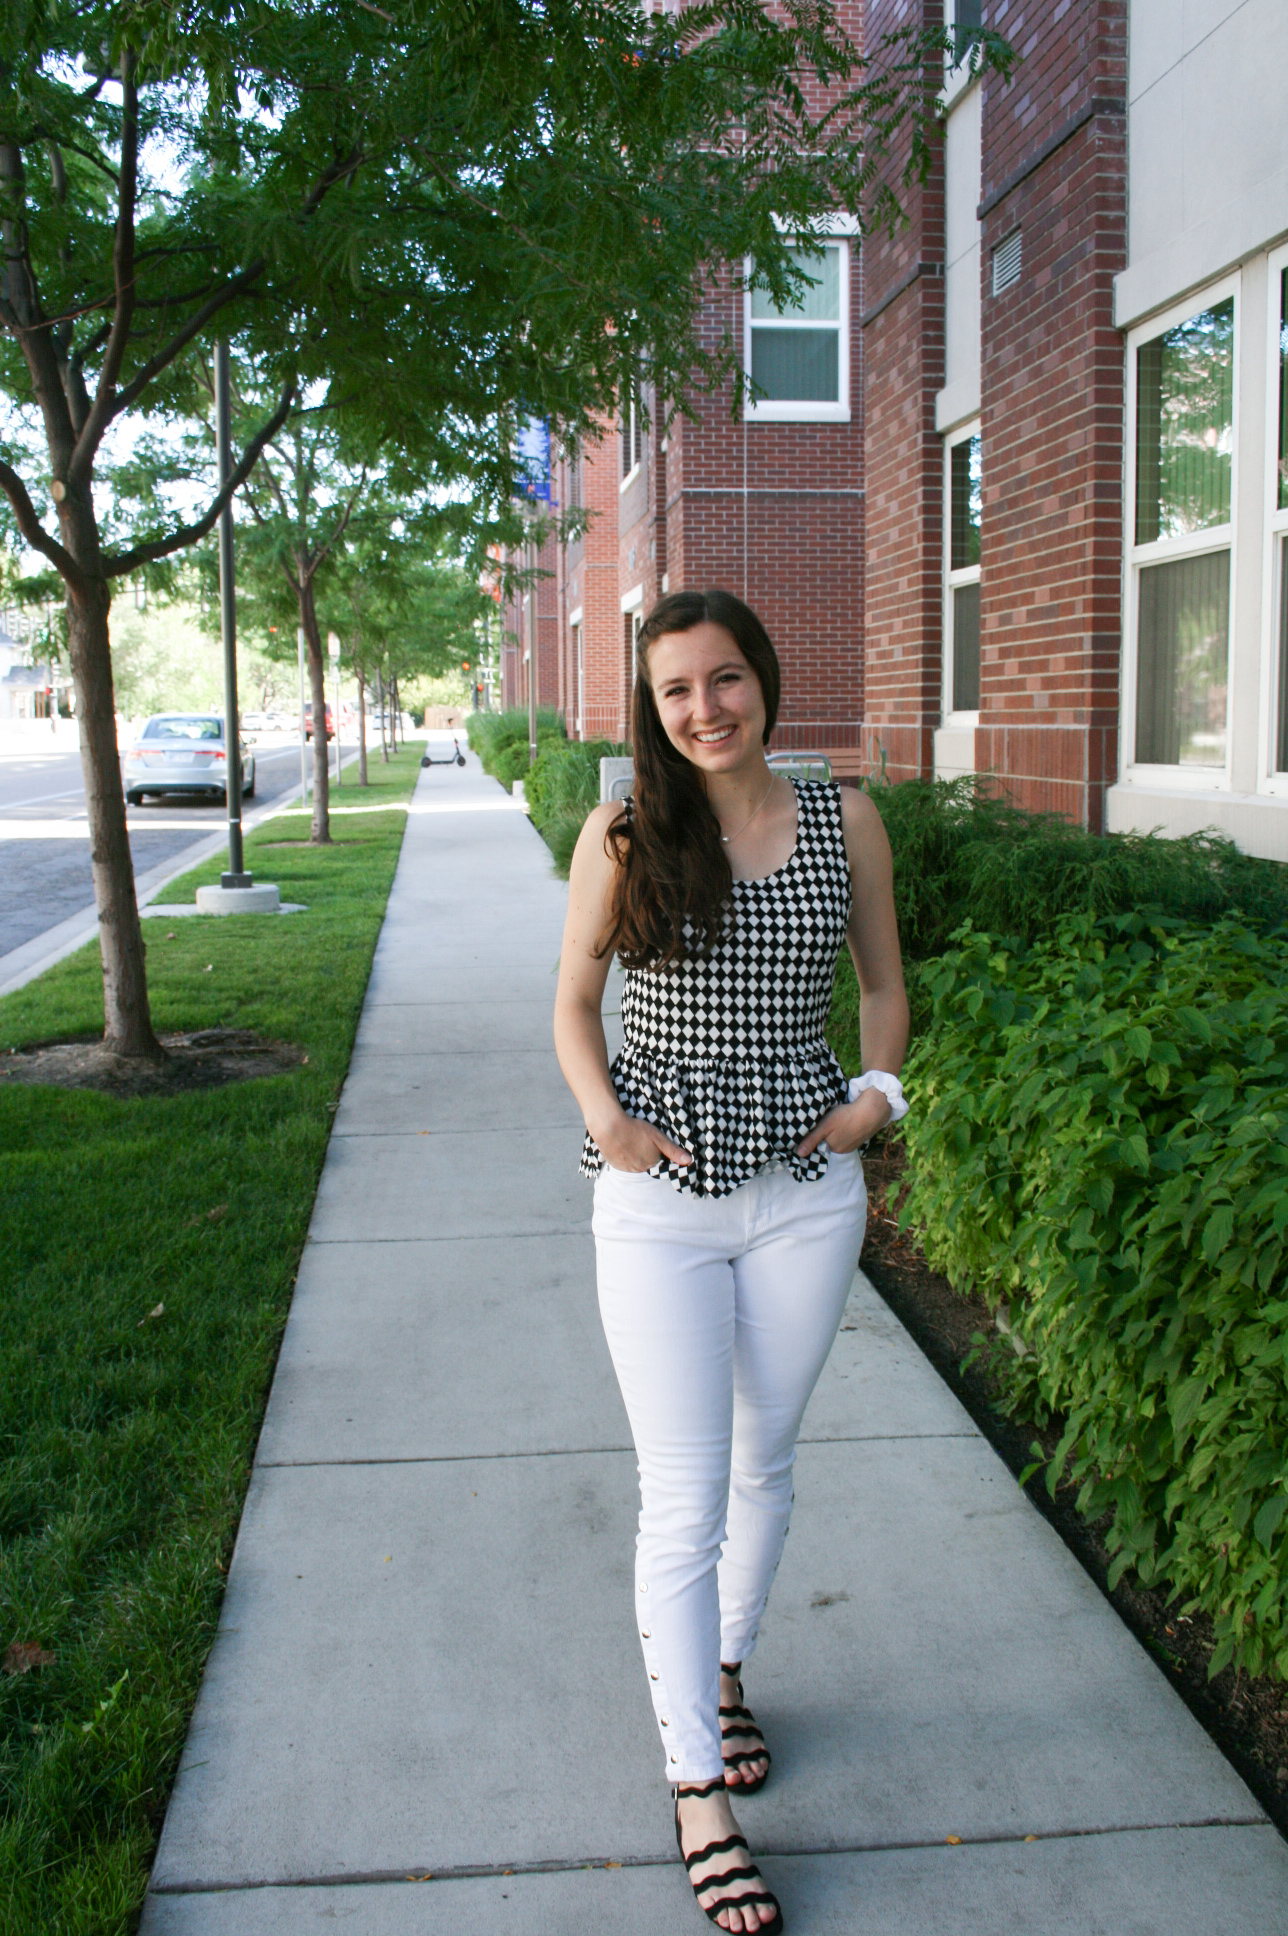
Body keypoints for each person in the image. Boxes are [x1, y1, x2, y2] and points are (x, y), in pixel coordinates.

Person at [554, 589, 908, 1934]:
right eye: (674, 691)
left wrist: (879, 1093)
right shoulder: (630, 831)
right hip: (663, 1200)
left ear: (764, 676)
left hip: (808, 1192)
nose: (703, 709)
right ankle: (698, 1788)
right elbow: (573, 1002)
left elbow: (884, 982)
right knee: (682, 1495)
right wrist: (608, 1123)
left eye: (723, 679)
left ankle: (726, 1667)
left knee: (768, 1460)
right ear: (652, 709)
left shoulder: (845, 818)